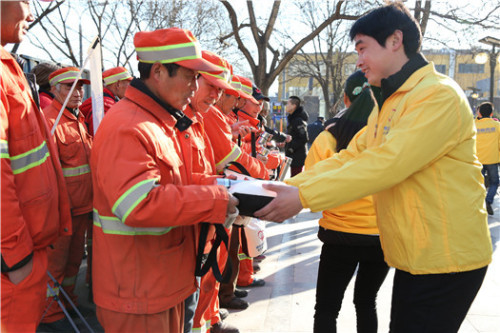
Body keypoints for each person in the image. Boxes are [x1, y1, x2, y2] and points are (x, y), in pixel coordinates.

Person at [255, 3, 492, 333]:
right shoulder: (390, 103)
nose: (359, 60)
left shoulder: (437, 96)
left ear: (395, 40)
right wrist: (292, 188)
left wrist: (303, 196)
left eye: (363, 48)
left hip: (446, 259)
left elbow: (387, 164)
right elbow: (352, 157)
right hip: (416, 256)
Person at [90, 27, 238, 333]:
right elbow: (139, 204)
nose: (195, 86)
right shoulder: (128, 125)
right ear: (158, 71)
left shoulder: (158, 122)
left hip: (159, 281)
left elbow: (175, 182)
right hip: (137, 291)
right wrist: (217, 198)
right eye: (190, 76)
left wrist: (224, 186)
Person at [1, 1, 72, 331]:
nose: (31, 14)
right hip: (13, 262)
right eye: (27, 1)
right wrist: (15, 258)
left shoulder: (7, 67)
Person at [306, 71, 389, 333]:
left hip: (339, 235)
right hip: (382, 236)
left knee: (327, 308)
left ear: (344, 98)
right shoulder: (392, 136)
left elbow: (312, 186)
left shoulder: (329, 137)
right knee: (367, 302)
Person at [185, 50, 240, 333]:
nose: (217, 97)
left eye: (222, 91)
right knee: (199, 284)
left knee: (206, 280)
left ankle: (206, 323)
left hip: (207, 215)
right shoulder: (186, 118)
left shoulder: (196, 117)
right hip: (193, 223)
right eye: (213, 87)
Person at [37, 67, 93, 331]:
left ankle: (68, 302)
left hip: (82, 206)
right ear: (55, 89)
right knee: (57, 262)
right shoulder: (49, 121)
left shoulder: (77, 119)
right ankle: (49, 314)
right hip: (63, 210)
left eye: (80, 87)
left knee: (73, 261)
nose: (78, 92)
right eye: (71, 87)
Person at [80, 66, 133, 135]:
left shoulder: (100, 102)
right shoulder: (106, 106)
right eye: (129, 84)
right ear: (118, 84)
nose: (131, 88)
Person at [475, 102, 499, 215]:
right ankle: (488, 201)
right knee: (494, 182)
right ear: (491, 113)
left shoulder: (474, 126)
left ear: (479, 113)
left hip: (478, 159)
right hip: (492, 159)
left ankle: (478, 204)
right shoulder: (497, 126)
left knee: (478, 182)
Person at [284, 96, 309, 177]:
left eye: (288, 103)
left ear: (294, 106)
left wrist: (291, 147)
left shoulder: (298, 120)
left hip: (297, 156)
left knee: (295, 180)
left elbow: (304, 138)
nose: (286, 106)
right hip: (293, 155)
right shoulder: (292, 119)